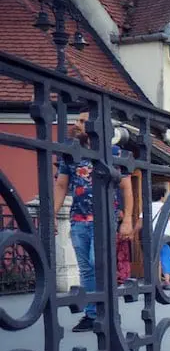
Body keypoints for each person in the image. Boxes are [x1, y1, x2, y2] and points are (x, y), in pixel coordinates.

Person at [53, 111, 134, 332]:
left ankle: (106, 311)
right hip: (78, 220)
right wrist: (52, 213)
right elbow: (61, 186)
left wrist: (127, 219)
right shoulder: (71, 154)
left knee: (98, 263)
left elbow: (126, 188)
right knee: (86, 269)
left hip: (105, 219)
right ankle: (91, 314)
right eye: (77, 120)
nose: (77, 125)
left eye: (82, 121)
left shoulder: (114, 153)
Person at [150, 184, 170, 290]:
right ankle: (167, 280)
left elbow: (141, 222)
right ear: (162, 196)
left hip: (154, 235)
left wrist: (133, 232)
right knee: (166, 257)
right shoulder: (166, 207)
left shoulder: (148, 207)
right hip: (166, 235)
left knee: (156, 258)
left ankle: (158, 281)